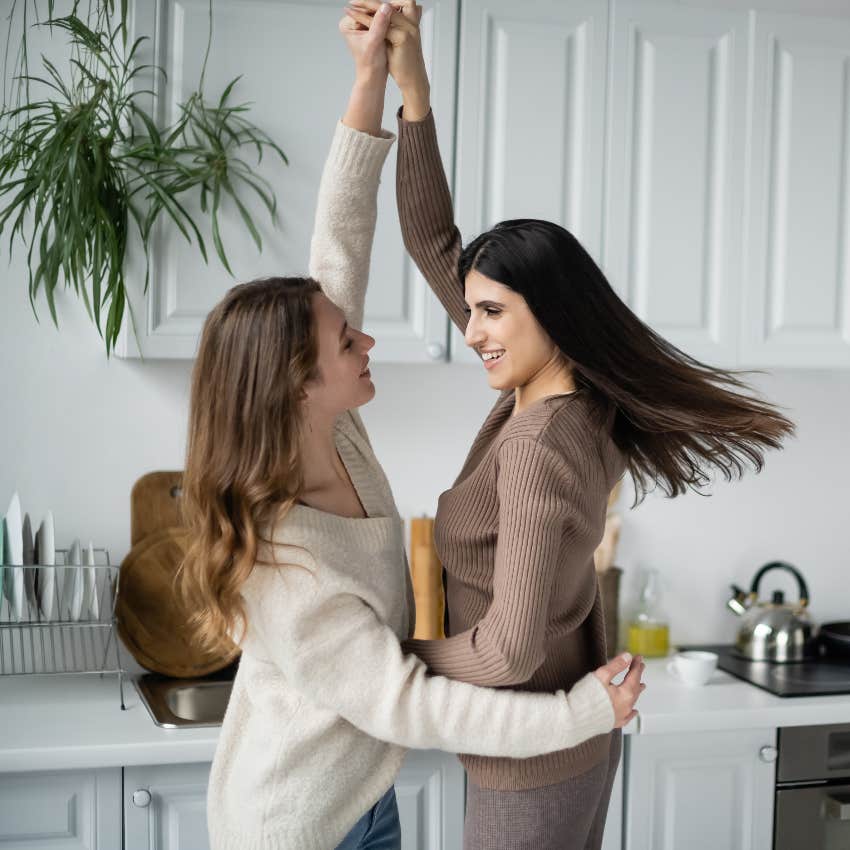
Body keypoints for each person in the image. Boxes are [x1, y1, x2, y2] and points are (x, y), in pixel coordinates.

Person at [177, 7, 645, 850]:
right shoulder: (288, 563)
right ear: (298, 386)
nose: (369, 335)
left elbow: (341, 245)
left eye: (490, 311)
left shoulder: (337, 431)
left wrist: (382, 85)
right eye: (345, 339)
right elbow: (413, 698)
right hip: (299, 824)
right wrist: (578, 710)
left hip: (366, 790)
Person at [343, 2, 795, 847]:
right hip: (564, 741)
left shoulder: (545, 439)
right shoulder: (562, 391)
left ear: (546, 311)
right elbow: (432, 237)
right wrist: (414, 95)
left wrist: (379, 659)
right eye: (471, 309)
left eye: (489, 313)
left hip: (532, 758)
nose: (469, 329)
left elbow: (508, 653)